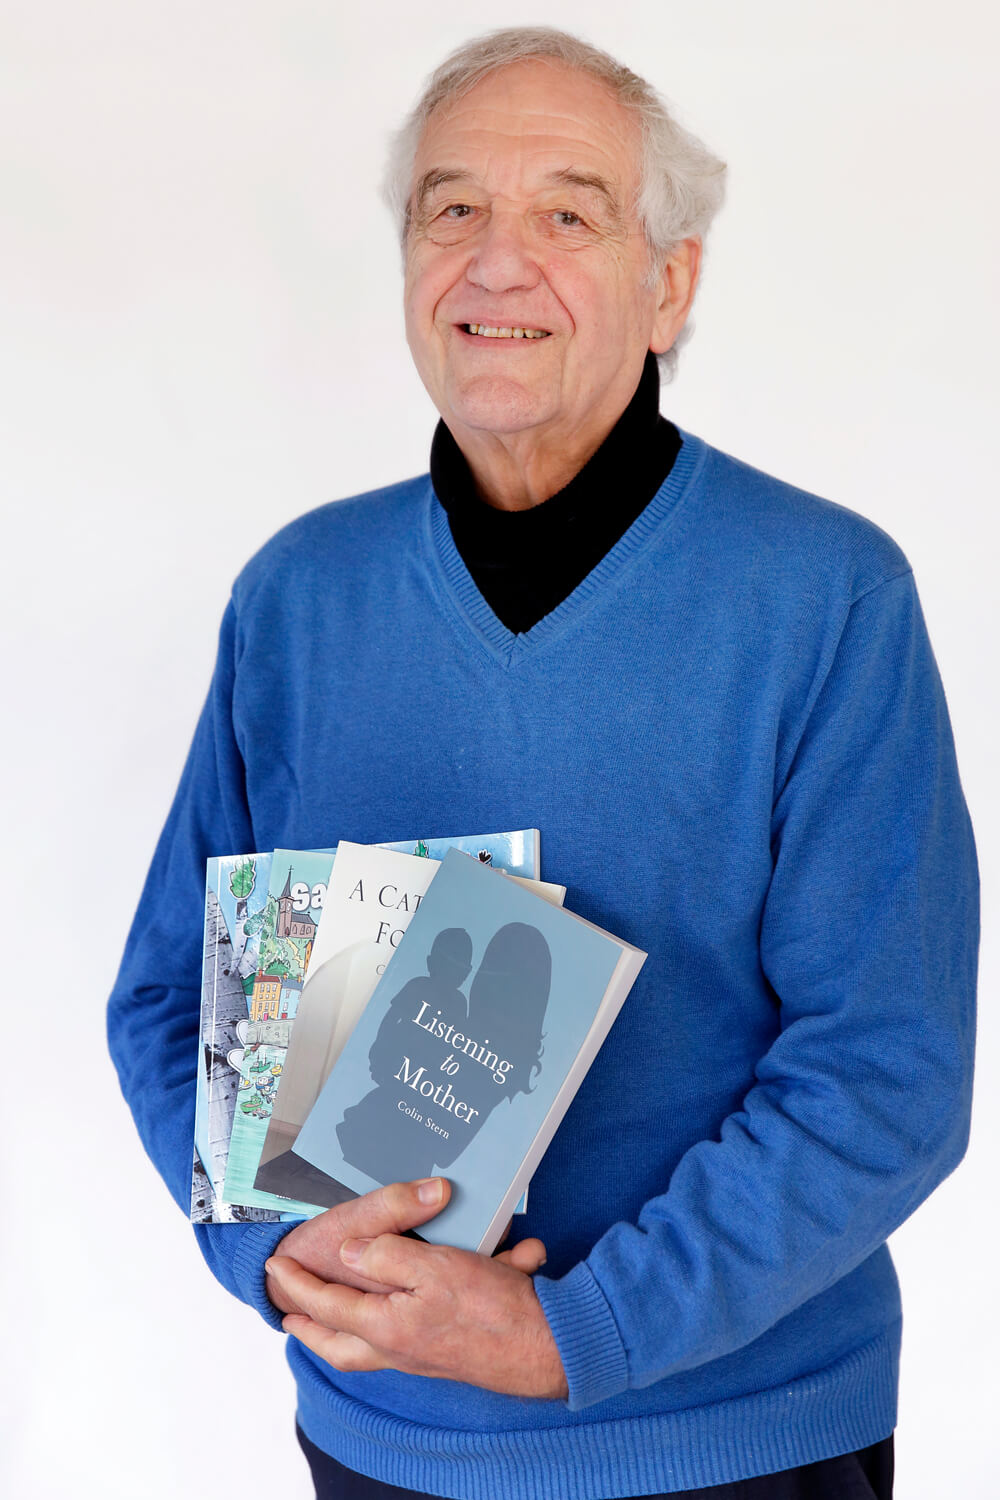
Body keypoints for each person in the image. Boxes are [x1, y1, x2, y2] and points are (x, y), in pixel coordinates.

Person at [107, 25, 977, 1500]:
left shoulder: (827, 599)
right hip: (382, 1442)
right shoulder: (298, 598)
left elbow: (886, 1073)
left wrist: (578, 1330)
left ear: (670, 285)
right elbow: (172, 995)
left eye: (568, 215)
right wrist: (276, 1255)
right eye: (453, 210)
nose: (496, 264)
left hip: (734, 1443)